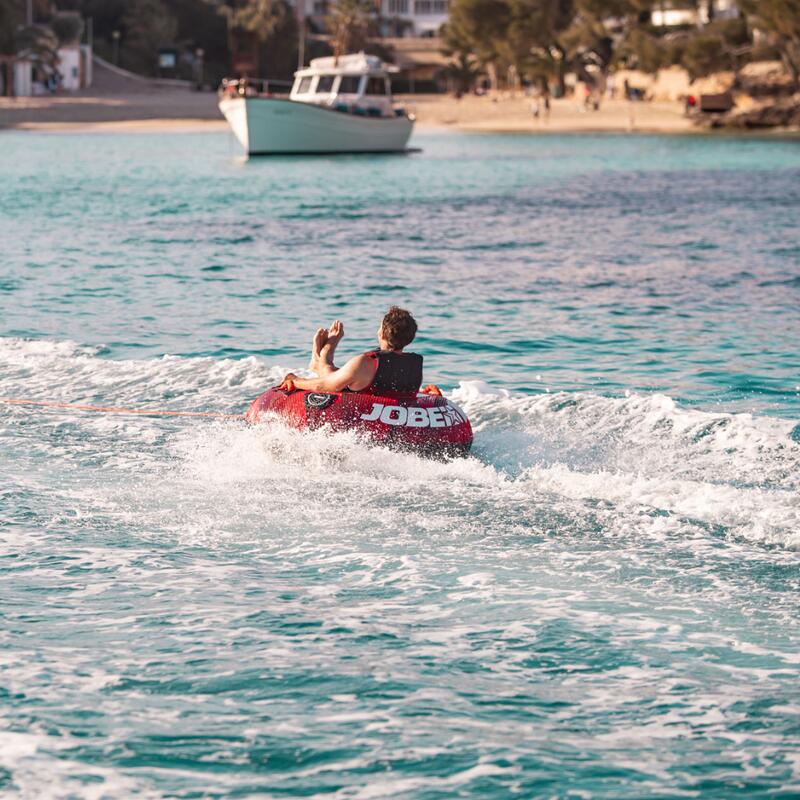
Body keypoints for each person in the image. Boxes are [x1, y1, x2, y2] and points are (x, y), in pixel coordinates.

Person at [281, 306, 423, 395]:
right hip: (378, 400)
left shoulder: (367, 361)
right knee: (348, 374)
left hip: (360, 400)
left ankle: (323, 355)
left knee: (330, 372)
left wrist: (295, 381)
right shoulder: (415, 363)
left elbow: (325, 385)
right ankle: (319, 360)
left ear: (383, 334)